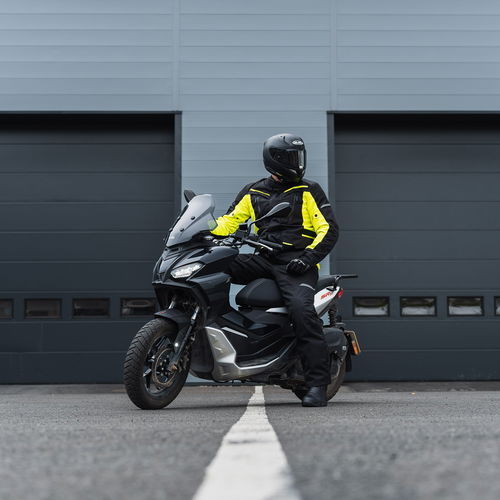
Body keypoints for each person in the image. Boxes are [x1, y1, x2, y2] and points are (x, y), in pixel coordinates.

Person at [211, 133, 339, 407]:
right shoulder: (254, 191)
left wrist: (307, 259)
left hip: (296, 264)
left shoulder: (309, 190)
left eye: (299, 157)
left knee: (302, 312)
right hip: (263, 258)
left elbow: (328, 230)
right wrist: (204, 230)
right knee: (211, 267)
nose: (298, 163)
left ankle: (317, 384)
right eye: (291, 158)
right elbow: (229, 222)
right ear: (274, 160)